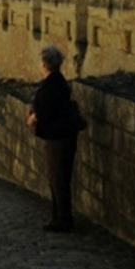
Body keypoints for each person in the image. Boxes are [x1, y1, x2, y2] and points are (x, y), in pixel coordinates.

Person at [25, 45, 80, 232]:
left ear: (45, 64)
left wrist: (33, 118)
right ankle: (60, 217)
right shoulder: (59, 81)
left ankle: (63, 220)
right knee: (59, 179)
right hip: (64, 136)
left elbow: (46, 111)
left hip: (58, 138)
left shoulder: (51, 85)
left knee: (58, 179)